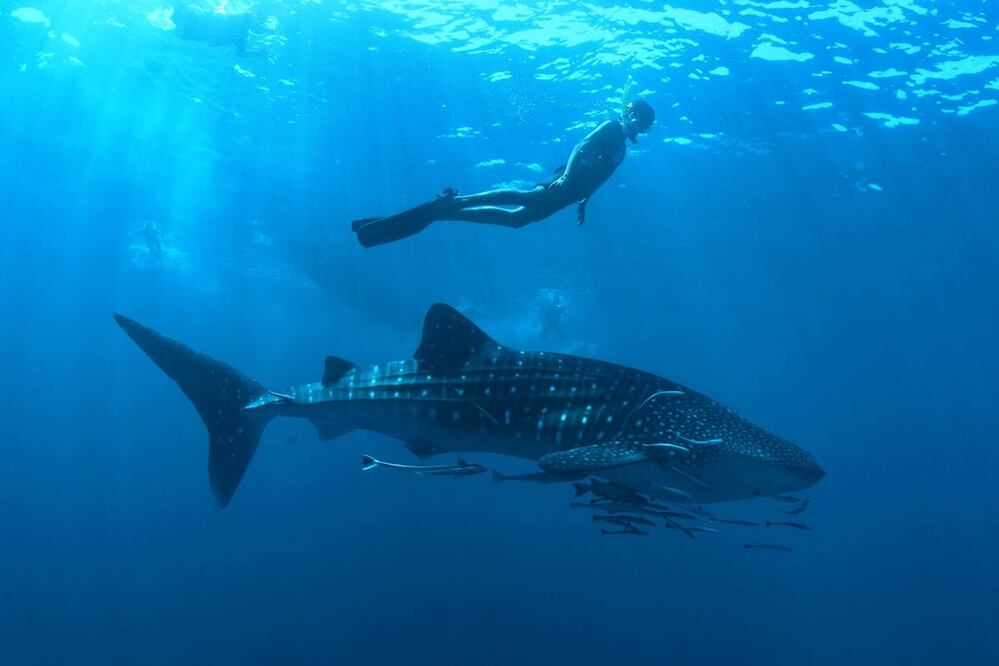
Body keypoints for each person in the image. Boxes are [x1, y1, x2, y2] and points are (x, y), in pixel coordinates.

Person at [352, 100, 656, 248]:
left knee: (516, 220)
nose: (637, 125)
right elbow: (580, 146)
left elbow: (600, 178)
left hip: (571, 194)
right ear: (630, 115)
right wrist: (567, 177)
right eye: (637, 119)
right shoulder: (611, 127)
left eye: (642, 125)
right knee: (523, 196)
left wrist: (584, 202)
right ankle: (457, 202)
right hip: (564, 185)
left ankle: (448, 211)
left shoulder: (623, 149)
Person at [170, 3, 264, 56]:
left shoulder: (242, 34)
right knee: (184, 21)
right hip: (204, 28)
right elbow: (242, 52)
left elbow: (241, 53)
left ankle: (179, 15)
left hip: (203, 31)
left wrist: (260, 54)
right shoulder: (243, 19)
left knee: (184, 28)